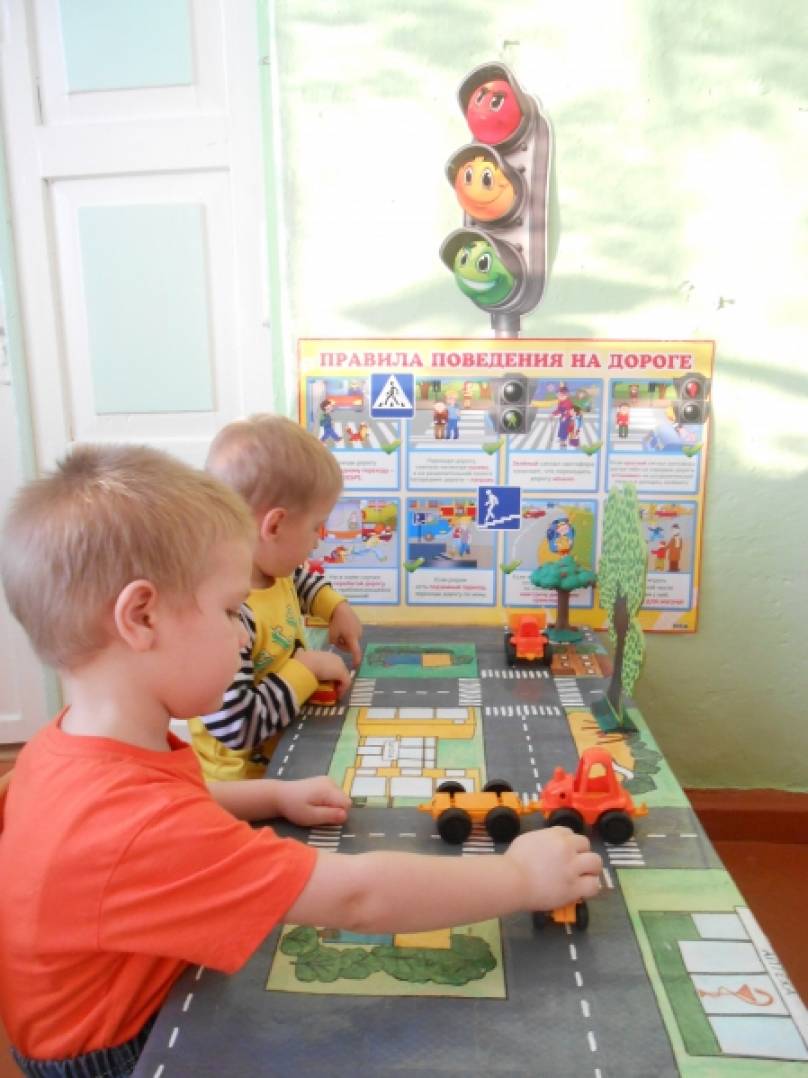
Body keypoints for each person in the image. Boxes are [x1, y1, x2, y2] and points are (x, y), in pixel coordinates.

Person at [0, 444, 603, 1077]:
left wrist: (270, 795)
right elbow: (358, 897)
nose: (244, 634)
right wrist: (519, 878)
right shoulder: (139, 830)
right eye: (230, 610)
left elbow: (170, 800)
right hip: (127, 1053)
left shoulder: (61, 749)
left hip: (102, 1009)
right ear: (142, 617)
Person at [187, 415, 361, 781]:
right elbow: (236, 726)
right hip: (244, 788)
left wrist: (335, 608)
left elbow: (299, 581)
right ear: (275, 525)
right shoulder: (228, 616)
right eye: (316, 527)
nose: (319, 540)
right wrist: (307, 669)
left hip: (286, 752)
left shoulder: (274, 571)